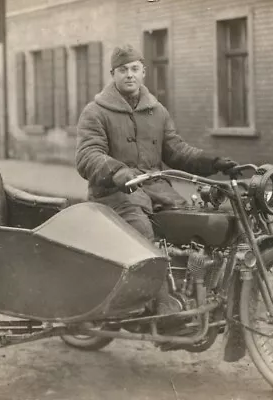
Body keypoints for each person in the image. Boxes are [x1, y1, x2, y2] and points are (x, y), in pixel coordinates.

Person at [76, 44, 238, 315]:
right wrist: (117, 172)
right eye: (123, 70)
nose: (130, 75)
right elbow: (87, 155)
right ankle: (160, 304)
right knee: (142, 231)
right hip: (115, 195)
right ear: (113, 74)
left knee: (196, 226)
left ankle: (196, 289)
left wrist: (213, 163)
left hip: (158, 191)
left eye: (135, 69)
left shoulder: (157, 111)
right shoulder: (95, 112)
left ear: (144, 72)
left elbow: (176, 150)